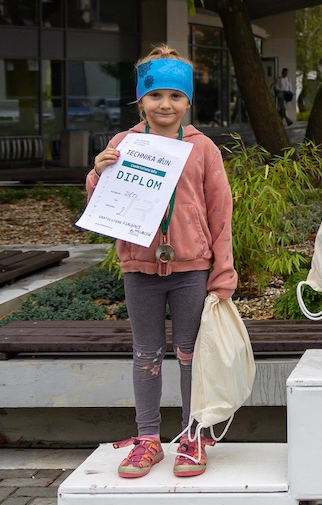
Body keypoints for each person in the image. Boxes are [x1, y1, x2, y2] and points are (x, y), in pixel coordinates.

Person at [87, 46, 237, 479]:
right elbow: (103, 203)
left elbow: (220, 211)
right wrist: (97, 173)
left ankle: (194, 435)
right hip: (140, 268)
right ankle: (148, 438)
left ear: (188, 102)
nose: (165, 104)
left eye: (175, 96)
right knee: (146, 354)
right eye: (155, 95)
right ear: (140, 100)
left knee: (192, 354)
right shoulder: (123, 145)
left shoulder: (203, 149)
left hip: (192, 269)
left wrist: (223, 270)